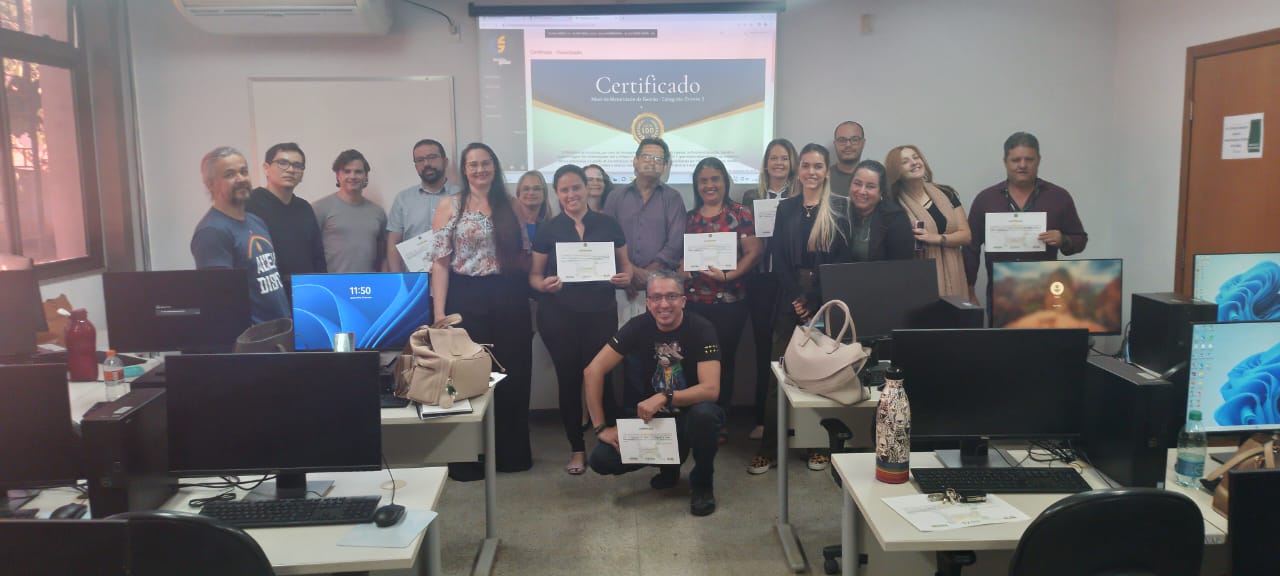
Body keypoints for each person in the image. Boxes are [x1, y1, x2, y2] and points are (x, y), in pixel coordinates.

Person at [429, 142, 533, 477]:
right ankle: (467, 459)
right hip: (465, 297)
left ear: (495, 166)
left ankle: (511, 455)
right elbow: (440, 263)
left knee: (512, 374)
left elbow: (524, 255)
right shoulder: (449, 205)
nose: (480, 170)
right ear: (464, 169)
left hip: (509, 295)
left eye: (485, 163)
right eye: (473, 164)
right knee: (466, 377)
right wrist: (439, 314)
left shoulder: (512, 205)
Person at [584, 270, 724, 516]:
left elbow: (711, 390)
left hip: (690, 416)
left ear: (683, 300)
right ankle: (668, 466)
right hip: (655, 420)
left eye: (671, 296)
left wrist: (666, 396)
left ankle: (702, 483)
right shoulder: (637, 326)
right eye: (656, 297)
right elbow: (592, 371)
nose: (664, 304)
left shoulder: (702, 328)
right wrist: (600, 428)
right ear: (648, 303)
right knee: (601, 459)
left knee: (706, 414)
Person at [750, 143, 851, 475]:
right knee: (778, 374)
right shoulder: (787, 208)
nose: (811, 172)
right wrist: (797, 297)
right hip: (789, 297)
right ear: (799, 170)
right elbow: (777, 257)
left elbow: (842, 259)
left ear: (826, 171)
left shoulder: (839, 208)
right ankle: (769, 448)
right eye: (806, 165)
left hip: (826, 298)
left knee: (821, 375)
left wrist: (814, 300)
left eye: (818, 166)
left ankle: (817, 445)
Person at [529, 164, 634, 475]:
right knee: (569, 380)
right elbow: (534, 276)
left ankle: (609, 445)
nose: (571, 194)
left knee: (604, 378)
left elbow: (627, 267)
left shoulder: (609, 224)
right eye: (564, 190)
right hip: (558, 317)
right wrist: (544, 285)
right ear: (557, 193)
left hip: (601, 314)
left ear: (586, 188)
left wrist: (625, 277)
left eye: (576, 187)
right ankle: (577, 448)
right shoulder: (548, 229)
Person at [681, 157, 761, 441]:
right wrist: (683, 268)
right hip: (694, 303)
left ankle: (719, 421)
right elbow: (682, 259)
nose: (709, 185)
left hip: (730, 303)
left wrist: (730, 275)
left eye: (715, 179)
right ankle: (695, 419)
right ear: (696, 185)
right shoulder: (690, 218)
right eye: (703, 181)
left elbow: (754, 252)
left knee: (723, 362)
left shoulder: (740, 213)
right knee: (694, 361)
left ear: (725, 181)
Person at [603, 138, 687, 408]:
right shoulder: (616, 197)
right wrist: (628, 271)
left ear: (665, 166)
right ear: (635, 161)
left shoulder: (673, 198)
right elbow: (607, 237)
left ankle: (659, 415)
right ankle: (630, 418)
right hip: (622, 290)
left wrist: (647, 277)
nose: (652, 163)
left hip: (660, 294)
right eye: (647, 157)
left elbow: (675, 243)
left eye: (658, 159)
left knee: (659, 358)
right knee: (623, 355)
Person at [965, 132, 1088, 303]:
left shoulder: (1059, 197)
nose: (1022, 165)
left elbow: (1080, 239)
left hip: (1046, 292)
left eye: (1029, 159)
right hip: (1000, 294)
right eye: (1016, 160)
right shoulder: (986, 199)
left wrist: (1063, 240)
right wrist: (969, 289)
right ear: (1005, 162)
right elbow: (970, 248)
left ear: (1039, 160)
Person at [190, 146, 289, 325]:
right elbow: (221, 304)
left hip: (279, 333)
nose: (241, 179)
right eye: (229, 174)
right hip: (253, 339)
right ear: (210, 184)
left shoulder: (256, 221)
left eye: (244, 172)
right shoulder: (212, 232)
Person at [740, 138, 798, 441]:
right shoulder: (752, 195)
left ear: (792, 163)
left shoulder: (800, 195)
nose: (778, 163)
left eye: (784, 158)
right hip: (760, 280)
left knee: (793, 349)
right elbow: (746, 237)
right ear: (766, 163)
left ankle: (795, 421)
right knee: (764, 349)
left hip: (789, 282)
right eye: (773, 158)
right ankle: (763, 419)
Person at [885, 145, 971, 298]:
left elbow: (966, 236)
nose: (914, 162)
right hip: (917, 276)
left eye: (916, 157)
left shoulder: (947, 193)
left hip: (955, 271)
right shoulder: (892, 204)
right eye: (905, 161)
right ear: (896, 171)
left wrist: (935, 238)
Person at [245, 142, 325, 291]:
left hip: (304, 290)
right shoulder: (250, 204)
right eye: (283, 163)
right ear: (266, 168)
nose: (290, 170)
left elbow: (318, 255)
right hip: (266, 291)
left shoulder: (304, 208)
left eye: (297, 165)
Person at [386, 139, 460, 272]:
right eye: (420, 160)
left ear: (445, 162)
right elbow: (393, 245)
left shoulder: (462, 197)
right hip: (415, 279)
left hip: (454, 277)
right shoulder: (403, 199)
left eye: (432, 157)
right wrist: (398, 280)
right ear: (415, 166)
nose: (426, 164)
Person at [313, 149, 387, 273]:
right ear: (338, 176)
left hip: (368, 283)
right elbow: (311, 252)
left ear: (366, 176)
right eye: (347, 171)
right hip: (331, 283)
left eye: (358, 172)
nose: (352, 176)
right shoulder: (320, 208)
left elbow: (383, 256)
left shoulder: (378, 212)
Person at [847, 159, 915, 262]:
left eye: (870, 186)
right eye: (857, 183)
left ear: (881, 191)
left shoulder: (896, 218)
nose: (862, 191)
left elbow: (901, 266)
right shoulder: (838, 213)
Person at [828, 121, 866, 199]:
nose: (848, 145)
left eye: (854, 140)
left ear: (863, 143)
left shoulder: (875, 178)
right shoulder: (824, 178)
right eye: (842, 140)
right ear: (835, 144)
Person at [513, 170, 553, 244]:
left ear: (544, 194)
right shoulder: (508, 225)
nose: (531, 193)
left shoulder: (553, 227)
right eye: (526, 189)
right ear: (518, 194)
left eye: (536, 189)